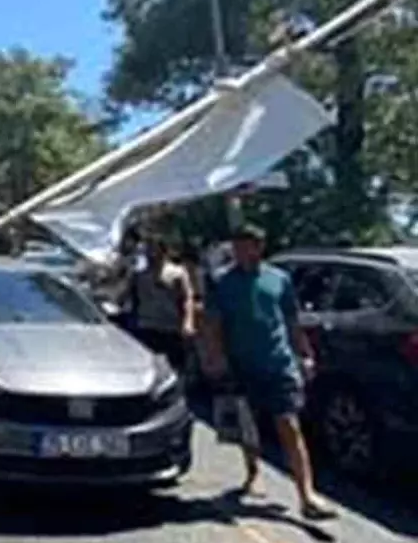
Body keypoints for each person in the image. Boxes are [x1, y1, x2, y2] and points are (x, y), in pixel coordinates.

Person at [201, 222, 337, 522]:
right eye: (236, 247)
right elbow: (213, 324)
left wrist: (305, 353)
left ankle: (307, 495)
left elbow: (291, 321)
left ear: (259, 247)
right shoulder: (222, 282)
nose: (239, 252)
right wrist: (215, 357)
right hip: (241, 364)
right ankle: (253, 473)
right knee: (248, 426)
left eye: (245, 246)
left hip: (278, 363)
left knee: (289, 424)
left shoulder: (279, 279)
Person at [131, 236, 196, 373]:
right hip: (147, 326)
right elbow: (133, 300)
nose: (152, 254)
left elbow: (187, 298)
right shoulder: (140, 276)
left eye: (155, 250)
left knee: (176, 365)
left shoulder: (177, 272)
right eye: (149, 250)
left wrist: (188, 322)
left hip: (170, 327)